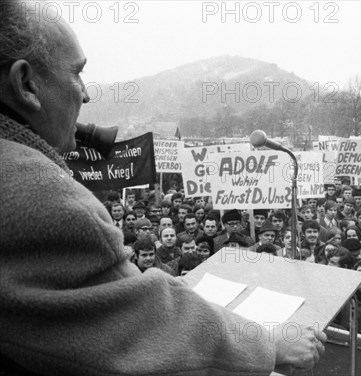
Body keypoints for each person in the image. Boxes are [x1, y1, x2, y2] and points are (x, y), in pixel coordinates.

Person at [0, 2, 325, 373]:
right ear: (26, 84)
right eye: (77, 74)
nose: (86, 95)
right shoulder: (43, 196)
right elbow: (148, 320)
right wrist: (267, 344)